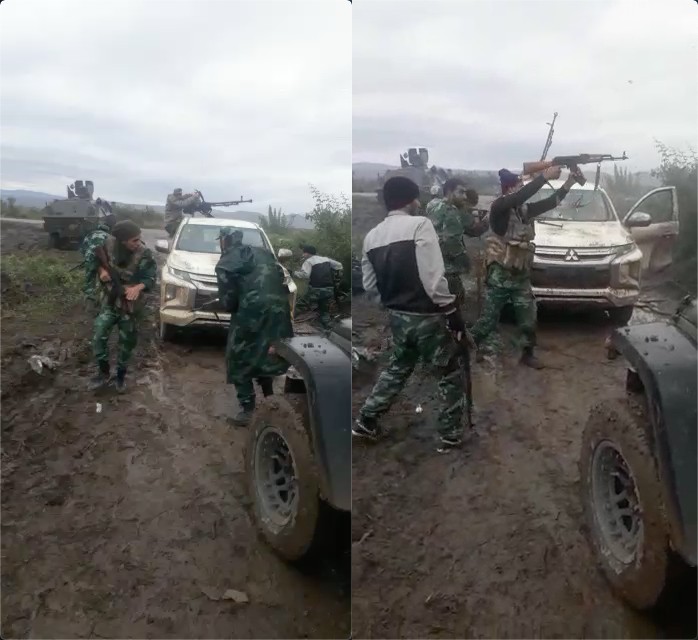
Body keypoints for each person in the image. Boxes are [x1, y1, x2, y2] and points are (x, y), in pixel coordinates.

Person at [353, 176, 469, 453]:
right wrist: (450, 310)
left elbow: (370, 285)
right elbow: (433, 277)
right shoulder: (421, 225)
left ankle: (366, 420)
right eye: (417, 199)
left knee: (398, 368)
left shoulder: (371, 237)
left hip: (397, 316)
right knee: (449, 372)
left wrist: (391, 304)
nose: (420, 203)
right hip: (427, 316)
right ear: (410, 199)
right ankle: (450, 436)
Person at [471, 165, 581, 368]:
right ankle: (469, 347)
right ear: (509, 188)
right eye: (518, 186)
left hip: (520, 276)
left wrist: (569, 183)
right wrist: (543, 177)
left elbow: (550, 203)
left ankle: (527, 354)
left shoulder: (521, 211)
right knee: (488, 320)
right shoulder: (499, 207)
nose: (521, 189)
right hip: (500, 276)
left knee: (528, 319)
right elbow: (518, 197)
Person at [215, 227, 293, 426]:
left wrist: (227, 303)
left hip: (251, 313)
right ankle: (269, 399)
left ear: (225, 241)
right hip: (279, 310)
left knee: (238, 356)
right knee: (268, 350)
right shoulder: (264, 253)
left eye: (221, 241)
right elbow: (281, 279)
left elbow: (229, 302)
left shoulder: (227, 261)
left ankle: (248, 409)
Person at [88, 220, 157, 392]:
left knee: (127, 342)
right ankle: (103, 373)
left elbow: (150, 278)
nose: (138, 243)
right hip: (110, 302)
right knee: (99, 335)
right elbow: (95, 261)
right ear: (122, 241)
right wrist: (101, 271)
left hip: (130, 305)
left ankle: (120, 376)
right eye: (134, 240)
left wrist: (138, 287)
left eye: (139, 239)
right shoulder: (107, 245)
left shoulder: (144, 253)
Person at [425, 178, 489, 318]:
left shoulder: (433, 205)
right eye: (460, 192)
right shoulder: (451, 211)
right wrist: (465, 262)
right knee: (455, 303)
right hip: (447, 269)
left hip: (430, 266)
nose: (464, 196)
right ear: (449, 191)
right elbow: (453, 241)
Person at [293, 245, 343, 329]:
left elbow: (305, 275)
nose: (303, 255)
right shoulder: (326, 259)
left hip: (316, 290)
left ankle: (289, 318)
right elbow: (339, 265)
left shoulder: (308, 262)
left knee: (301, 305)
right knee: (324, 308)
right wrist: (336, 276)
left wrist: (293, 273)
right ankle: (327, 327)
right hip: (329, 289)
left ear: (307, 253)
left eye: (304, 253)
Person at [79, 211, 116, 310]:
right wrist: (106, 264)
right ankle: (101, 304)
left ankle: (90, 304)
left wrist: (88, 259)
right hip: (98, 260)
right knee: (105, 280)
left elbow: (83, 250)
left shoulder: (91, 234)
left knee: (89, 282)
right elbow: (98, 248)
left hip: (89, 260)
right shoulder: (102, 235)